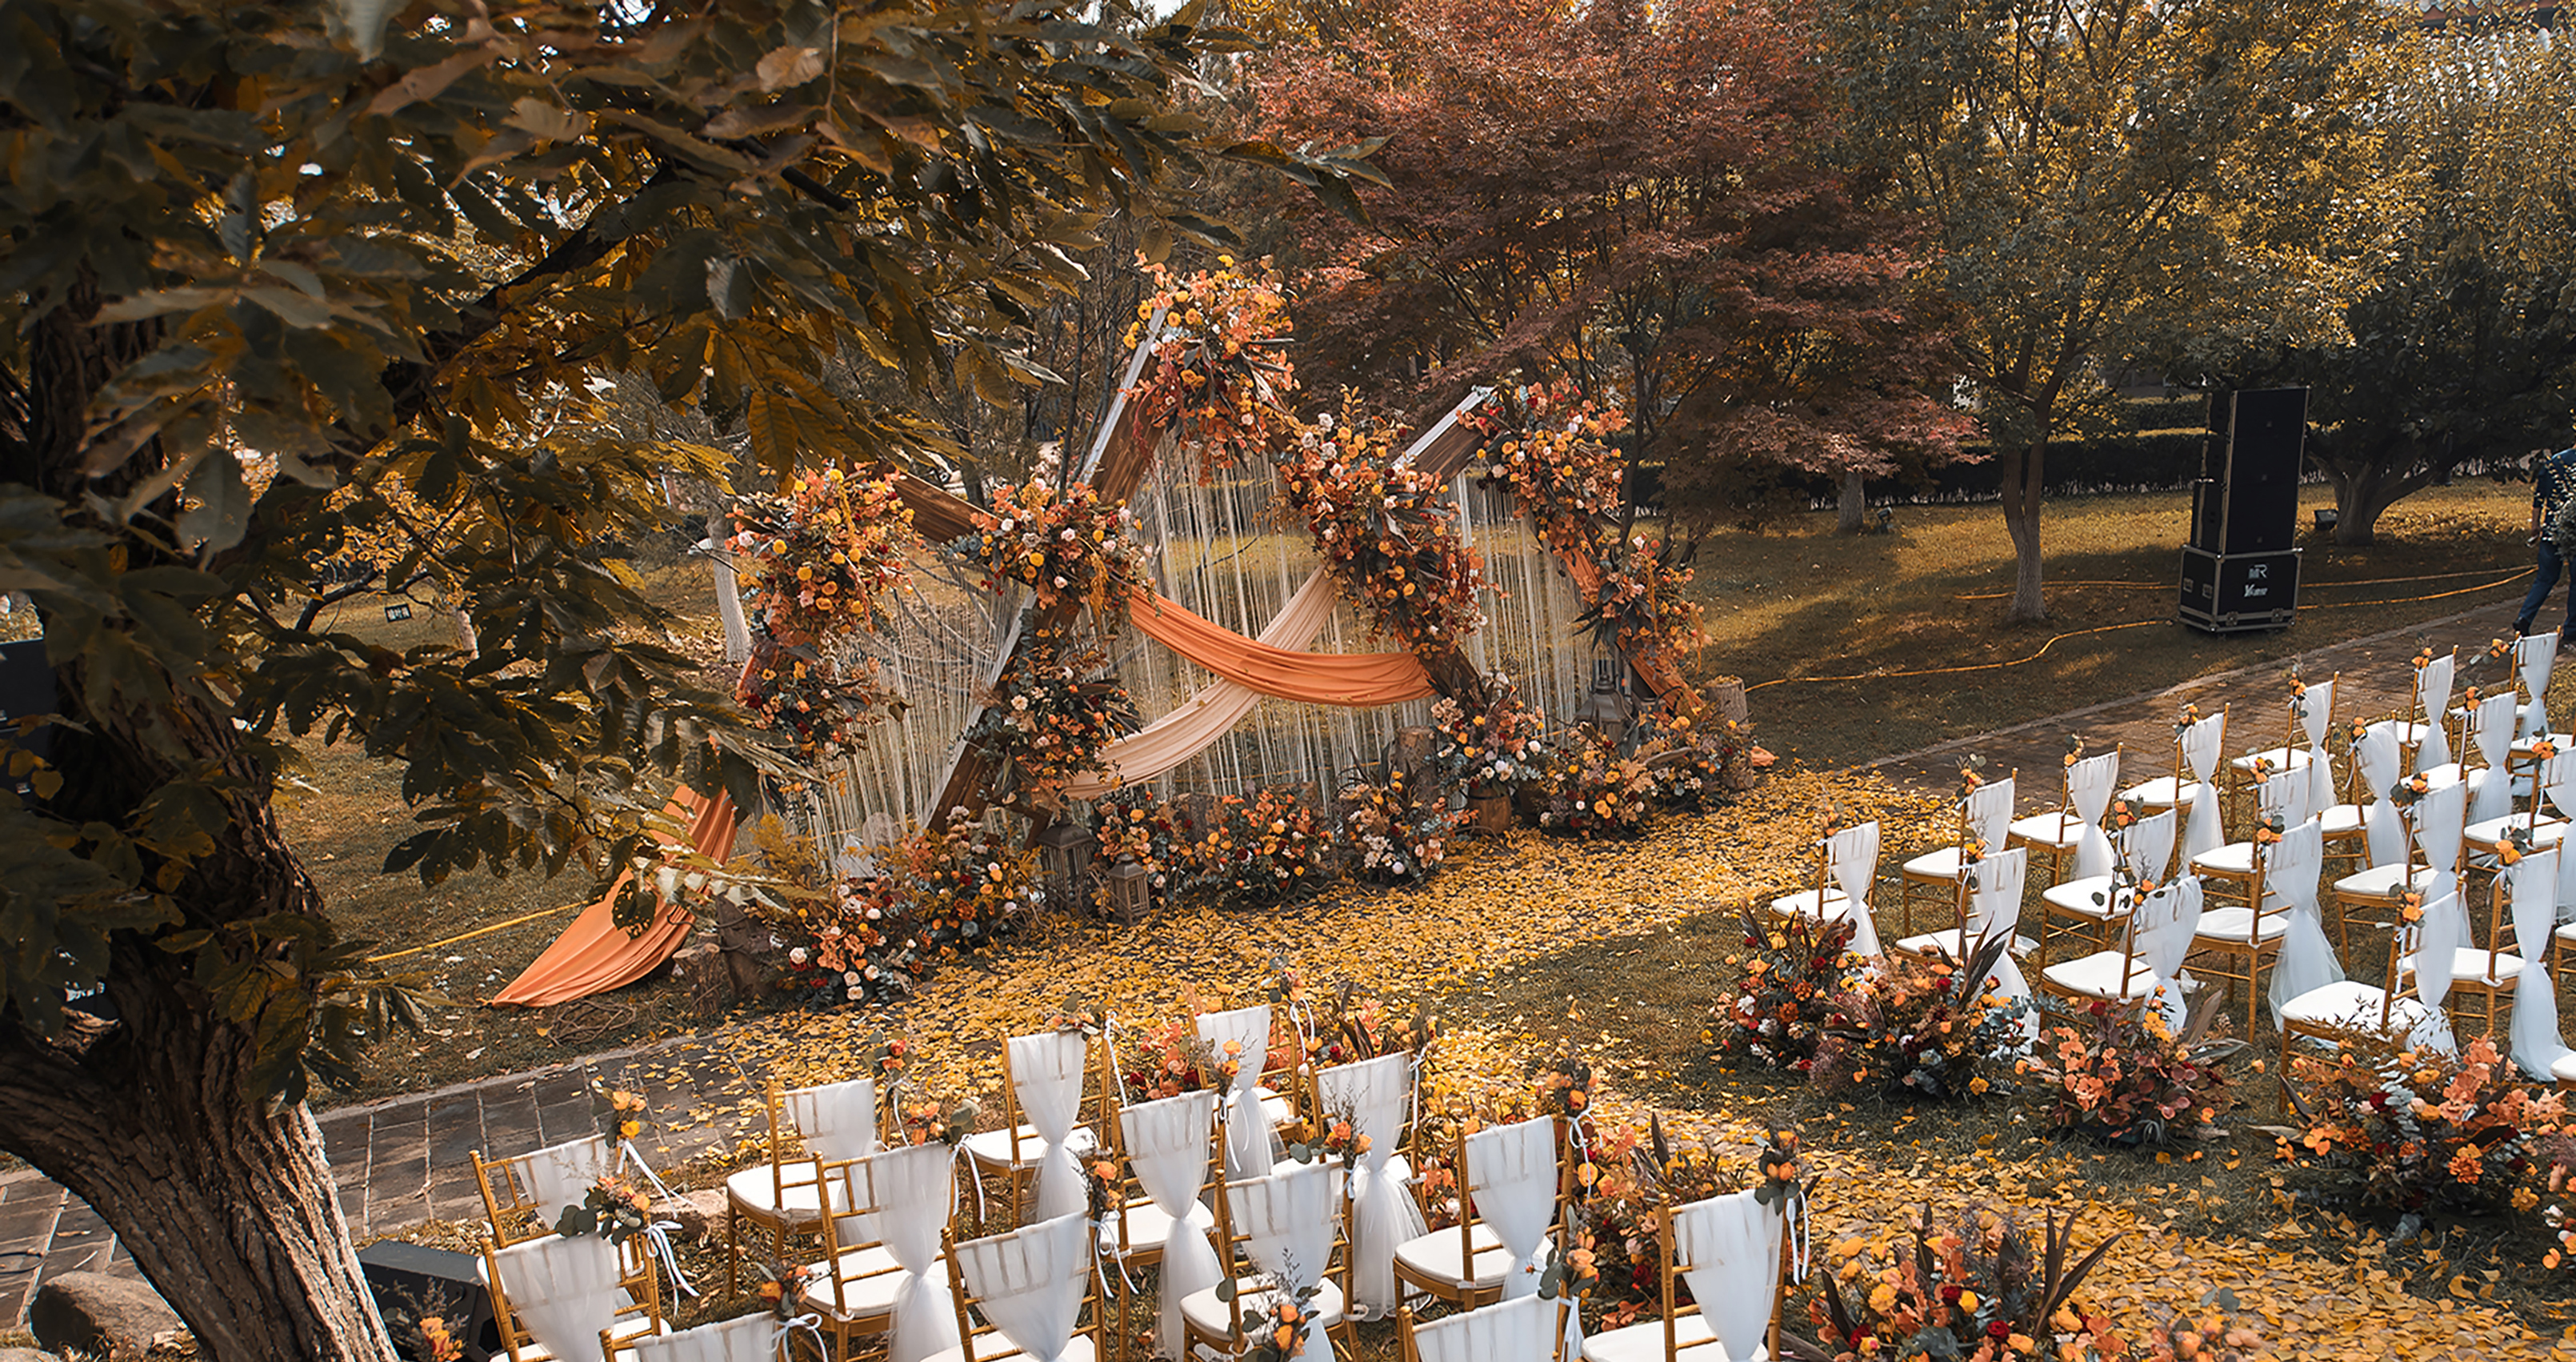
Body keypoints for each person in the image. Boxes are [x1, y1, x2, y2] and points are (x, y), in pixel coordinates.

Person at [2518, 442, 2576, 640]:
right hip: (2573, 534)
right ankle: (2571, 631)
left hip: (2552, 529)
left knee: (2544, 578)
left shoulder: (2555, 462)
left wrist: (2535, 524)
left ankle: (2525, 617)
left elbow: (2539, 496)